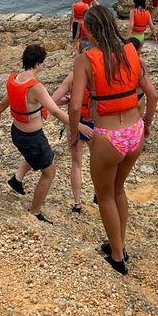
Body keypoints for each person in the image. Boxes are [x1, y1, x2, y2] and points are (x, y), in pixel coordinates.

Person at [68, 6, 158, 275]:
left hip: (108, 137)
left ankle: (117, 258)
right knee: (119, 190)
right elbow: (152, 96)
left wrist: (75, 134)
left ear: (91, 30)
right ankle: (119, 243)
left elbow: (74, 108)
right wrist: (148, 125)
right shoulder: (131, 51)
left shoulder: (85, 60)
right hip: (135, 132)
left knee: (105, 196)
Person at [0, 44, 93, 223]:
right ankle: (35, 211)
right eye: (42, 63)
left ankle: (17, 180)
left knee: (40, 156)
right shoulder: (35, 86)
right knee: (49, 172)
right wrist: (78, 126)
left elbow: (6, 100)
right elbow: (55, 112)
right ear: (38, 63)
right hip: (32, 138)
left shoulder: (15, 78)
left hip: (17, 133)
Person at [52, 72, 95, 214]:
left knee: (76, 164)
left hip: (74, 122)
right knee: (98, 162)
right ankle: (98, 195)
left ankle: (77, 204)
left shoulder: (72, 77)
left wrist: (68, 100)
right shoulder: (100, 73)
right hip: (95, 123)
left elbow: (53, 101)